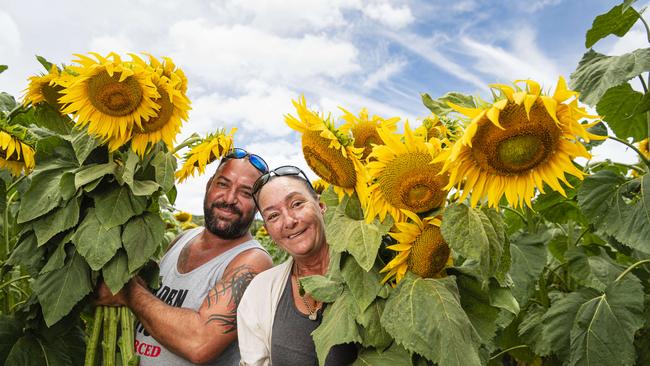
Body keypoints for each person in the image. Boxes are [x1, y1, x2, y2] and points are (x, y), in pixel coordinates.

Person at [95, 148, 274, 365]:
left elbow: (200, 343)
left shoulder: (253, 261)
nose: (229, 199)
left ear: (258, 205)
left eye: (245, 193)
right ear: (209, 186)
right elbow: (150, 300)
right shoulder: (182, 239)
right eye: (223, 184)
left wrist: (127, 291)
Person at [237, 165, 357, 365]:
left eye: (297, 204)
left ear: (321, 206)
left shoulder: (369, 270)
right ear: (268, 230)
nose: (289, 221)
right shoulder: (259, 293)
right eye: (273, 215)